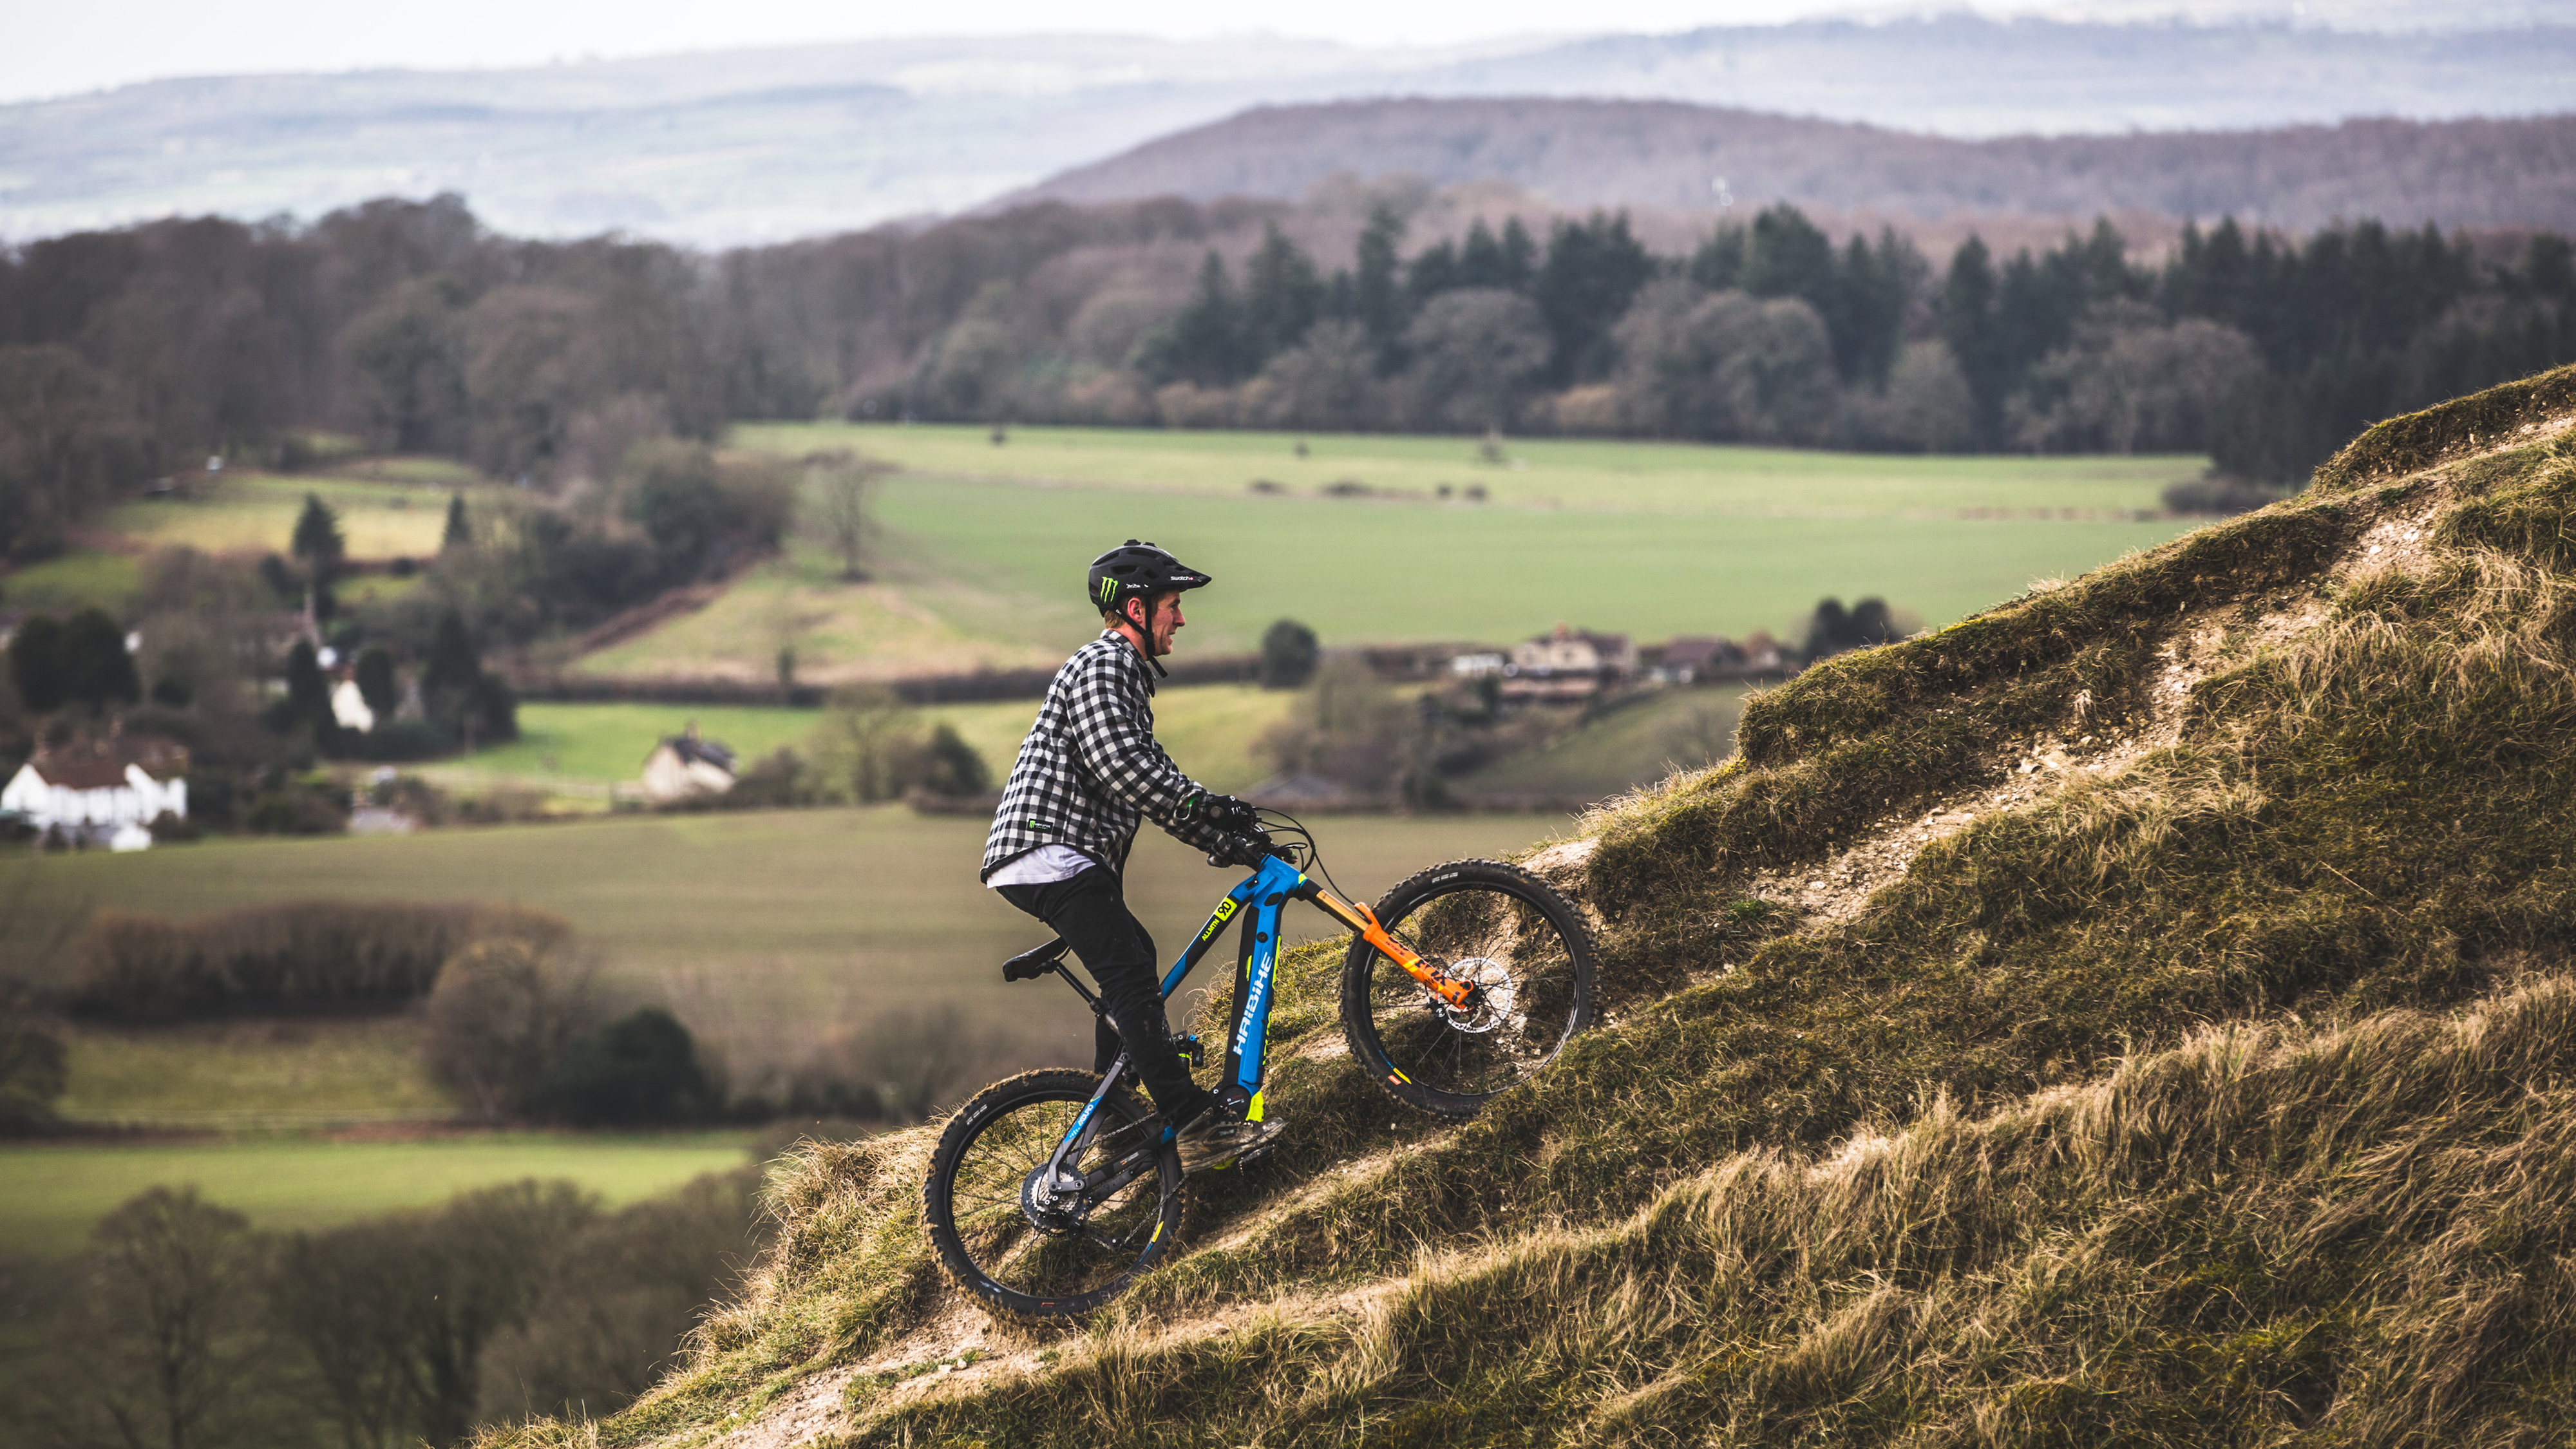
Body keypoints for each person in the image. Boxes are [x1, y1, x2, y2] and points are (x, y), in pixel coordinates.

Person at [982, 540, 1287, 1172]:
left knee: (1129, 968)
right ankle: (1197, 1126)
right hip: (1047, 849)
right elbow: (1122, 768)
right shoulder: (1102, 665)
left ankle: (1116, 1123)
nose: (1182, 620)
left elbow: (1150, 779)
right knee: (1130, 973)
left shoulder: (1123, 680)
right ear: (1137, 608)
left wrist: (1227, 838)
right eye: (1174, 606)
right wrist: (1212, 806)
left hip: (1059, 854)